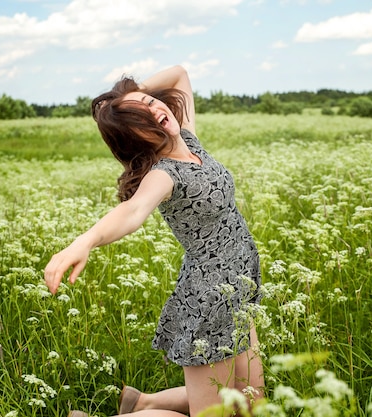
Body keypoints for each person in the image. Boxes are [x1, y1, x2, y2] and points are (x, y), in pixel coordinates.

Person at [44, 65, 265, 417]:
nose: (155, 110)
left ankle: (141, 402)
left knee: (251, 399)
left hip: (238, 288)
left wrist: (127, 98)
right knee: (217, 413)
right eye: (141, 118)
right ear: (136, 138)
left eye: (152, 103)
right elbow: (132, 212)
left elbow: (179, 75)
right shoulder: (164, 174)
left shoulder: (189, 140)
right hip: (208, 299)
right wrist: (84, 241)